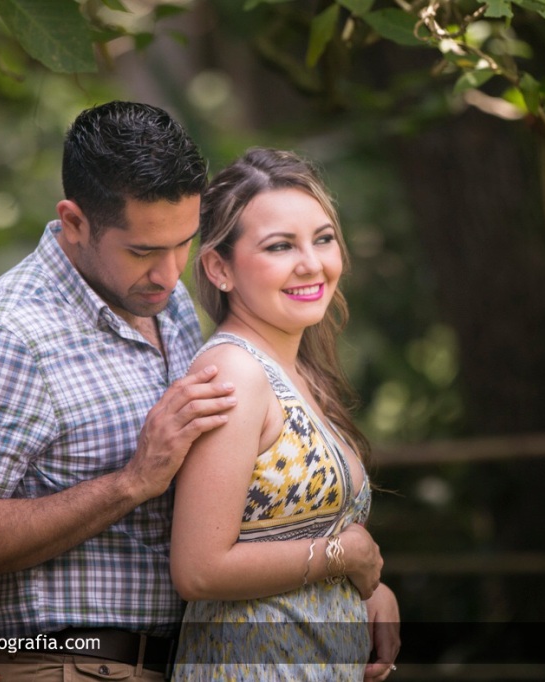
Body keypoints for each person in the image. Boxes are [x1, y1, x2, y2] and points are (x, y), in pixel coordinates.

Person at [0, 101, 241, 681]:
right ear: (74, 221)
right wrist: (131, 482)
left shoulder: (169, 302)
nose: (169, 272)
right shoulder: (7, 335)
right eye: (142, 251)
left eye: (183, 242)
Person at [169, 148, 401, 681]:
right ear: (219, 267)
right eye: (280, 246)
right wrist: (344, 558)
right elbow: (200, 569)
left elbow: (291, 538)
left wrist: (369, 590)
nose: (312, 263)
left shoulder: (298, 372)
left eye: (322, 238)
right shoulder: (234, 374)